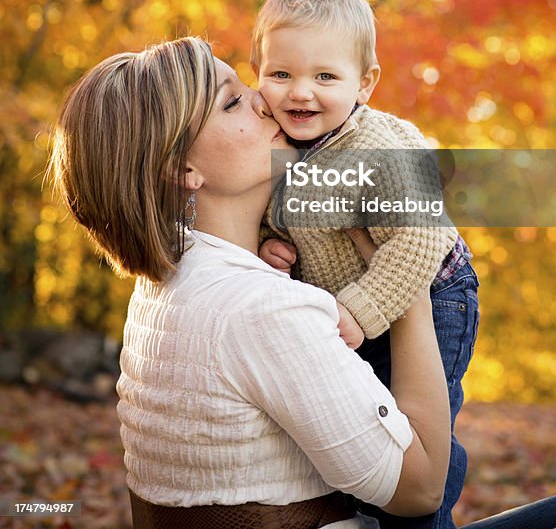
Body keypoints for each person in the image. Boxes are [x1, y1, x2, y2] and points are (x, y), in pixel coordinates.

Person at [48, 36, 453, 529]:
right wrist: (408, 287)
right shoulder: (262, 308)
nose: (266, 99)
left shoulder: (166, 288)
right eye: (233, 101)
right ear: (184, 168)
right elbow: (423, 488)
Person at [251, 0, 479, 529]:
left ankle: (427, 502)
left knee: (413, 434)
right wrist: (271, 245)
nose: (299, 92)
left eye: (325, 76)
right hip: (353, 304)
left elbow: (419, 237)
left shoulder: (381, 145)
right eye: (281, 73)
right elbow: (274, 215)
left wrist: (361, 309)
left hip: (433, 290)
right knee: (366, 431)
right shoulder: (278, 144)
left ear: (365, 83)